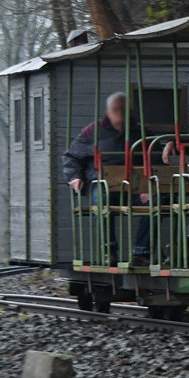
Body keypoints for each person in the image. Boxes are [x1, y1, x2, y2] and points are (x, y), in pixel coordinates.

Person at [63, 92, 152, 266]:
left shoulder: (142, 132)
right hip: (104, 186)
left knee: (156, 201)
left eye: (124, 110)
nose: (120, 114)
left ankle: (141, 251)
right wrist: (74, 177)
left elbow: (155, 161)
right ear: (108, 112)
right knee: (100, 199)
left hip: (135, 188)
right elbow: (71, 157)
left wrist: (148, 187)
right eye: (115, 110)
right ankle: (108, 250)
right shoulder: (92, 132)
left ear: (131, 111)